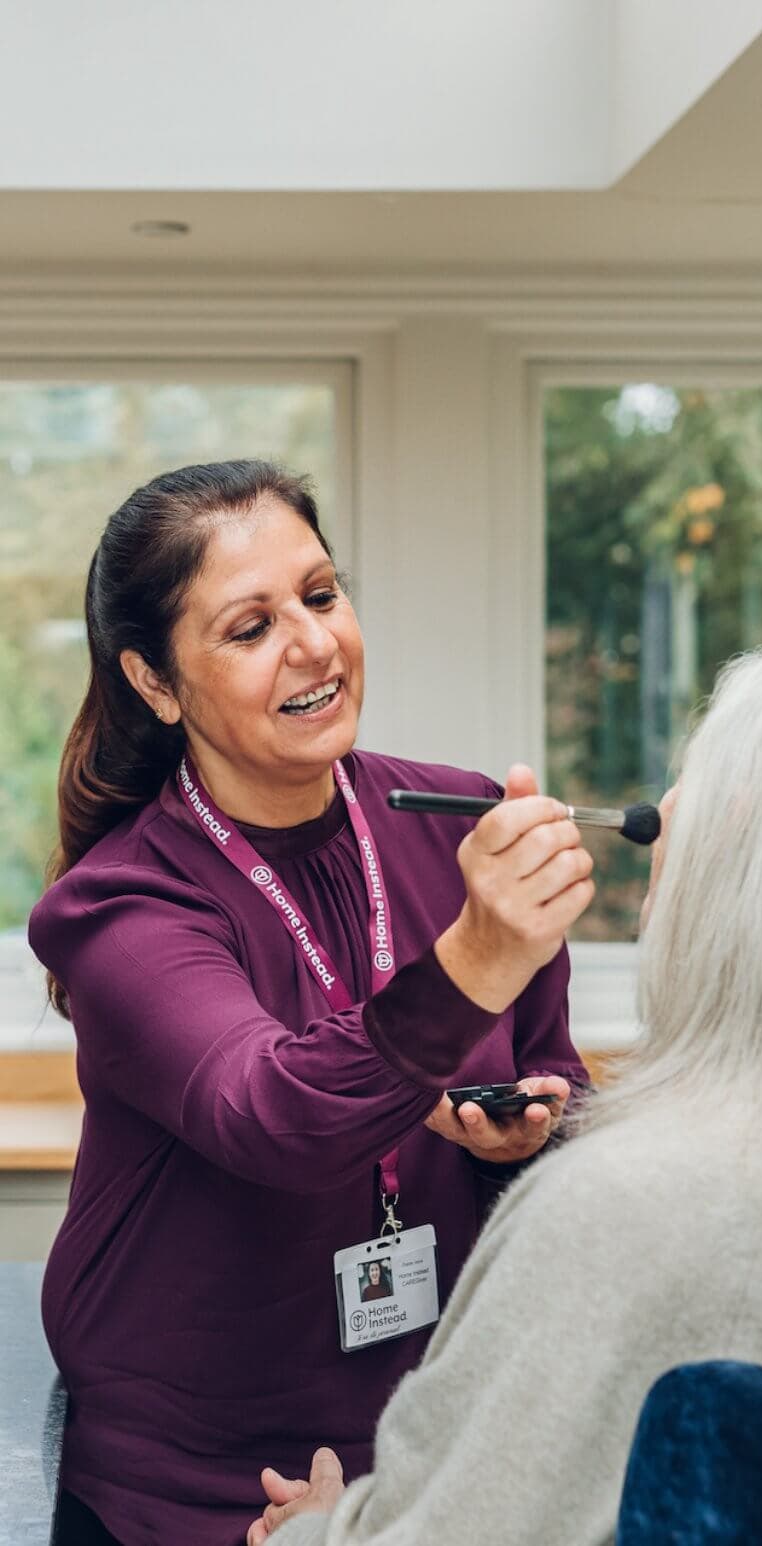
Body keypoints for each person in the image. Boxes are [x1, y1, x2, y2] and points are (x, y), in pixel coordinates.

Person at [247, 645, 762, 1546]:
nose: (663, 816)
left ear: (740, 857)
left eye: (689, 786)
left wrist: (315, 1529)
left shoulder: (619, 1213)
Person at [29, 460, 593, 1546]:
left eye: (322, 595)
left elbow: (554, 1069)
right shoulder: (119, 904)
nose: (314, 645)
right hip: (197, 1490)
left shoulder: (460, 818)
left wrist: (527, 1126)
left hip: (429, 1464)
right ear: (154, 682)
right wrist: (478, 950)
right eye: (249, 627)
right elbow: (271, 1114)